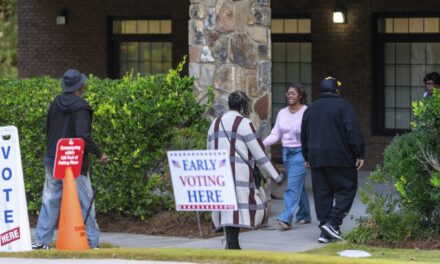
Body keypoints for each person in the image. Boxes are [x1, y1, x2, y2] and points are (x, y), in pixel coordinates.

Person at [32, 69, 109, 250]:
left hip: (54, 158)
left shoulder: (54, 104)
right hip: (75, 162)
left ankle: (41, 241)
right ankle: (90, 242)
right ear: (80, 87)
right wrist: (100, 154)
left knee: (50, 200)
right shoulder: (82, 107)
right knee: (85, 201)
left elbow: (48, 130)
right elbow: (83, 136)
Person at [207, 91, 283, 249]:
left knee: (227, 209)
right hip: (239, 174)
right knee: (240, 208)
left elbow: (208, 150)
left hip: (219, 175)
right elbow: (259, 153)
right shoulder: (244, 123)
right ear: (242, 106)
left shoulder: (215, 123)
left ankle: (231, 244)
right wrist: (276, 176)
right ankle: (233, 246)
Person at [300, 77, 365, 244]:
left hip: (317, 158)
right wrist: (359, 154)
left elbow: (304, 134)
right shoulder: (344, 106)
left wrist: (306, 156)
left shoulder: (311, 108)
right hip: (341, 158)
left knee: (322, 193)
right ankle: (333, 222)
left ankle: (325, 229)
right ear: (337, 90)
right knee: (347, 189)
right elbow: (353, 132)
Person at [263, 83, 311, 231]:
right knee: (297, 184)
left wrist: (310, 155)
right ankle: (304, 214)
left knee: (292, 187)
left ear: (300, 96)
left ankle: (286, 218)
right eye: (288, 93)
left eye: (293, 93)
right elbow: (276, 133)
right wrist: (262, 144)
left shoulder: (306, 112)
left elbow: (311, 134)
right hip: (287, 152)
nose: (290, 96)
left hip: (301, 152)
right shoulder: (282, 113)